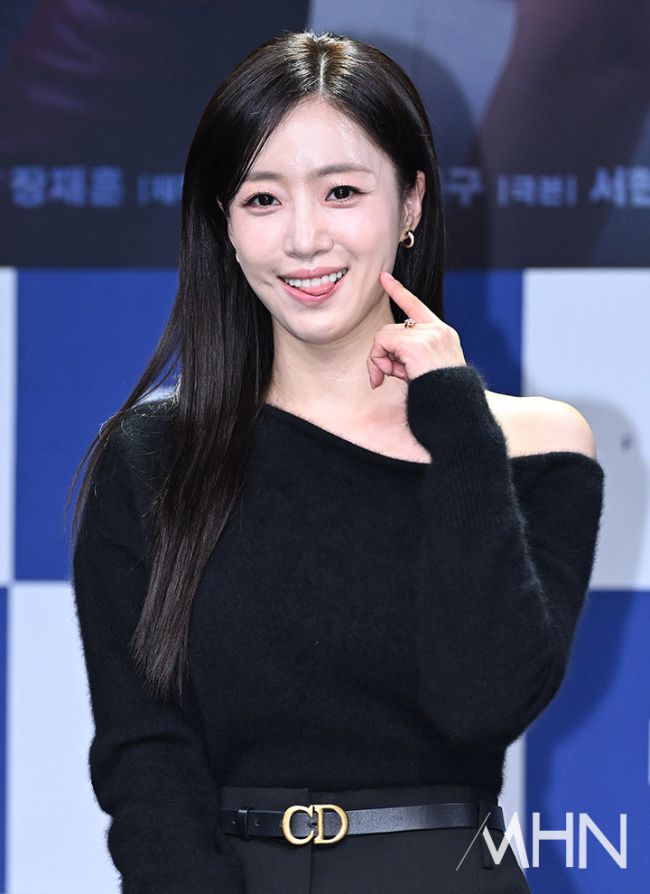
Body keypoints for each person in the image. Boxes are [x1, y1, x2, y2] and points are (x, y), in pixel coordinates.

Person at [68, 29, 605, 894]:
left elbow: (484, 703)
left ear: (411, 203)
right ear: (225, 223)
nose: (305, 238)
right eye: (263, 199)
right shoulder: (152, 457)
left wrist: (458, 426)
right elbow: (145, 758)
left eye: (343, 191)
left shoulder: (534, 444)